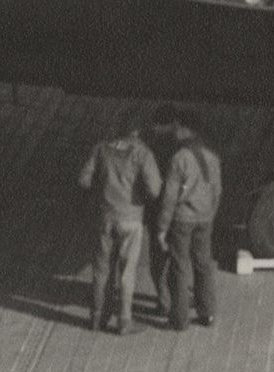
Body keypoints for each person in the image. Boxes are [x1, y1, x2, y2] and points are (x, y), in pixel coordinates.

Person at [80, 120, 163, 335]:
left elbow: (84, 181)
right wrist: (139, 198)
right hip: (131, 219)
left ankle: (97, 318)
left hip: (105, 218)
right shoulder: (142, 154)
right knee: (127, 271)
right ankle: (124, 321)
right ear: (136, 133)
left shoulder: (100, 150)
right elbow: (154, 189)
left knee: (101, 270)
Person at [152, 107, 224, 332]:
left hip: (183, 220)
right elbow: (218, 189)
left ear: (185, 129)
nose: (175, 132)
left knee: (180, 267)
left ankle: (179, 319)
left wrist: (162, 228)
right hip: (205, 218)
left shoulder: (179, 158)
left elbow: (169, 197)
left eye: (178, 127)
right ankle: (207, 313)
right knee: (203, 264)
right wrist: (211, 213)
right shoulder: (212, 156)